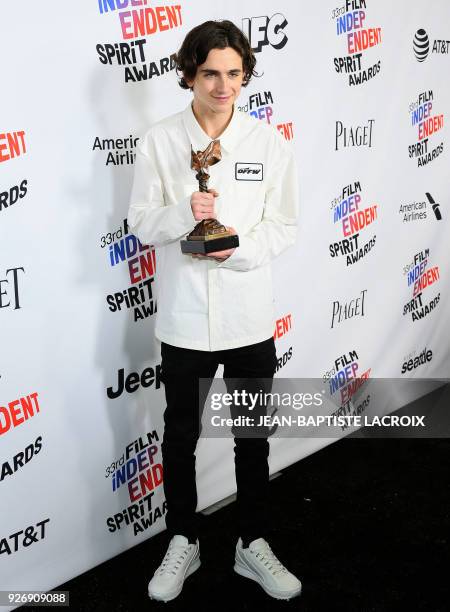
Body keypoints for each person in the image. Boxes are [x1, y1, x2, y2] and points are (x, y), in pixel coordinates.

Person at [127, 19, 301, 602]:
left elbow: (285, 225)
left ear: (244, 75)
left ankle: (253, 542)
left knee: (252, 436)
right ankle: (184, 539)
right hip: (182, 319)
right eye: (210, 74)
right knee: (180, 437)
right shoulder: (158, 140)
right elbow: (141, 223)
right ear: (189, 75)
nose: (222, 86)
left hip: (250, 319)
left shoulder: (270, 144)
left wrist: (238, 250)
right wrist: (184, 211)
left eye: (233, 74)